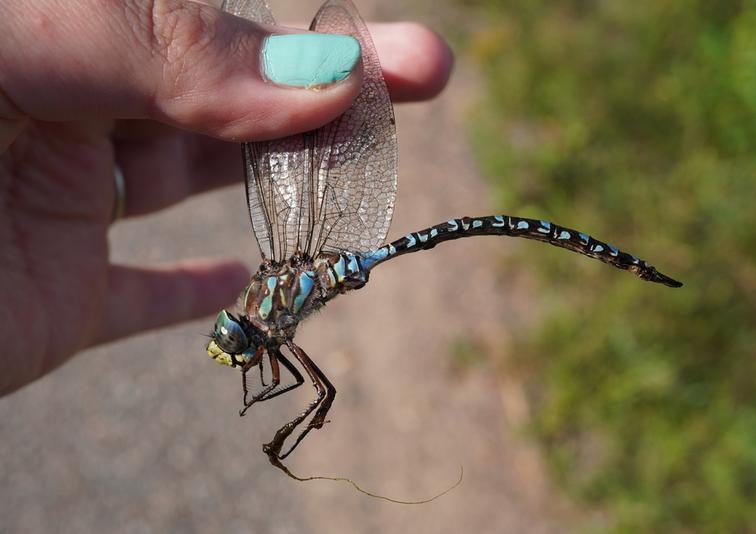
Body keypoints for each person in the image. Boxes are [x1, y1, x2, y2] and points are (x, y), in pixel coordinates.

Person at [0, 0, 452, 396]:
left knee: (319, 391)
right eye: (231, 339)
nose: (231, 345)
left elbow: (288, 381)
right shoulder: (270, 321)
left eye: (230, 340)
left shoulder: (271, 312)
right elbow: (280, 379)